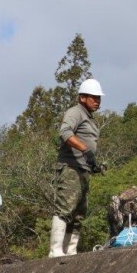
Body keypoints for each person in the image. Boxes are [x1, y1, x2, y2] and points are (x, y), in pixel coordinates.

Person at [50, 77, 105, 258]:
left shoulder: (89, 117)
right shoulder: (75, 112)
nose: (98, 101)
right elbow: (65, 132)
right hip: (70, 168)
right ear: (82, 97)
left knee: (79, 213)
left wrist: (93, 163)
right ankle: (56, 250)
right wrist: (85, 150)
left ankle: (70, 250)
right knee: (65, 208)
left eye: (99, 98)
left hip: (83, 170)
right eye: (94, 97)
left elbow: (87, 147)